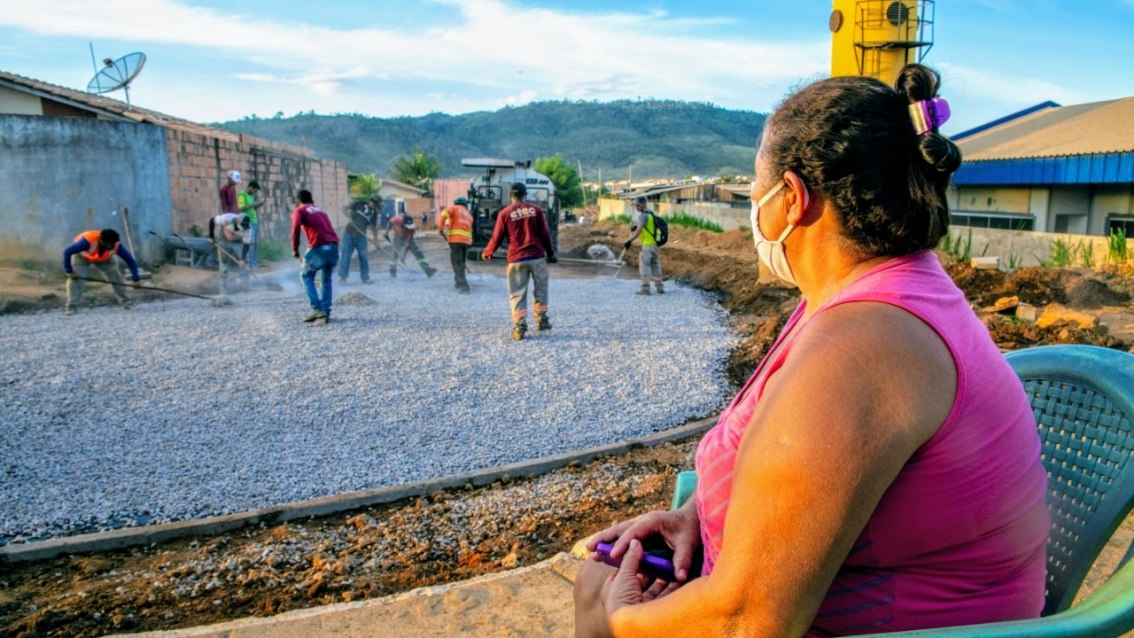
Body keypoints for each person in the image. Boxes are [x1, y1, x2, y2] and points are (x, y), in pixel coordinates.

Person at [573, 64, 1050, 637]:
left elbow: (750, 623)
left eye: (755, 190)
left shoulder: (863, 348)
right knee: (596, 576)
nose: (754, 210)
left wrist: (619, 620)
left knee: (598, 598)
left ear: (792, 198)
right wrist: (692, 515)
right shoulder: (872, 293)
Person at [482, 182, 557, 341]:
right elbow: (545, 233)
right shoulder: (536, 210)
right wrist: (551, 254)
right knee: (541, 289)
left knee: (517, 293)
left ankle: (519, 328)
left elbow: (497, 237)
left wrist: (488, 252)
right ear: (525, 194)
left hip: (516, 259)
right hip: (537, 258)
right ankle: (542, 321)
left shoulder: (504, 213)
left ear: (511, 196)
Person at [61, 229, 140, 315]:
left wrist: (136, 280)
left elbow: (131, 261)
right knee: (76, 279)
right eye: (109, 244)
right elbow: (66, 252)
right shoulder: (85, 242)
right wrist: (69, 271)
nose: (111, 246)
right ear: (101, 241)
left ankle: (127, 303)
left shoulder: (117, 245)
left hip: (104, 258)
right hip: (83, 256)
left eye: (113, 244)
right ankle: (72, 307)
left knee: (115, 276)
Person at [291, 190, 340, 324]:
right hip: (334, 246)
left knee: (305, 276)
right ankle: (325, 310)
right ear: (312, 201)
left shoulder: (300, 210)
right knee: (326, 280)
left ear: (298, 201)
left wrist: (295, 248)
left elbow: (295, 226)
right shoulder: (320, 210)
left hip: (319, 247)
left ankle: (317, 309)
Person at [623, 196, 664, 295]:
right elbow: (645, 228)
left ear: (643, 204)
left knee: (644, 266)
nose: (637, 207)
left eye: (638, 205)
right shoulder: (650, 214)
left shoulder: (643, 216)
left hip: (648, 245)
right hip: (655, 245)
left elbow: (639, 230)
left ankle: (645, 289)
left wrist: (629, 240)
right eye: (636, 206)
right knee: (655, 265)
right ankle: (659, 287)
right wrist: (636, 227)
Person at [339, 195, 382, 285]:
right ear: (371, 201)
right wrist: (349, 218)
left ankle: (365, 278)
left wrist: (376, 241)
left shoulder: (374, 213)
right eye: (375, 204)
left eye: (376, 205)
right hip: (349, 234)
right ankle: (343, 278)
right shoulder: (359, 204)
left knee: (364, 257)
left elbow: (374, 228)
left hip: (361, 237)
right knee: (346, 256)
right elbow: (343, 208)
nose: (375, 206)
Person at [384, 208, 437, 278]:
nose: (409, 228)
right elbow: (390, 222)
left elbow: (407, 244)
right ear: (403, 223)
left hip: (409, 239)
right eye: (407, 226)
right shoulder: (396, 220)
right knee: (394, 255)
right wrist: (386, 232)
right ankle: (392, 272)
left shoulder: (412, 228)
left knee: (418, 253)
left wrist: (403, 255)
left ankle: (428, 270)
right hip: (397, 238)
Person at [208, 211, 251, 294]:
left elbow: (246, 245)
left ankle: (245, 286)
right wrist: (211, 237)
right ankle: (222, 289)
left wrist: (242, 259)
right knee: (224, 263)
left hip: (239, 241)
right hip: (224, 240)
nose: (244, 228)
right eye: (242, 226)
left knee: (245, 261)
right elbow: (212, 220)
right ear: (236, 221)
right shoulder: (226, 218)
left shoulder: (248, 229)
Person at [438, 196, 474, 293]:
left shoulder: (453, 208)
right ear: (465, 205)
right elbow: (469, 228)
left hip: (456, 240)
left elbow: (444, 213)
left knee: (457, 263)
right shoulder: (469, 215)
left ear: (456, 203)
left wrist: (440, 227)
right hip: (466, 241)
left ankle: (464, 286)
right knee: (461, 263)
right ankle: (458, 282)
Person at [238, 180, 265, 269]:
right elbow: (241, 208)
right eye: (255, 191)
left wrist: (259, 205)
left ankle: (253, 263)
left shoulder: (251, 196)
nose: (255, 193)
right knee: (249, 243)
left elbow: (252, 208)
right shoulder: (242, 195)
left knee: (255, 243)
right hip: (248, 223)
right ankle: (250, 264)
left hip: (254, 221)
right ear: (250, 187)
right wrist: (252, 204)